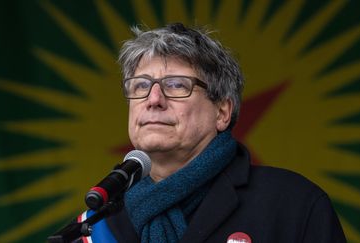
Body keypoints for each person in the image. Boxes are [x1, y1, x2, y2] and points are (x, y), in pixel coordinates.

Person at [78, 23, 346, 243]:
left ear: (222, 112)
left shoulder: (293, 204)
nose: (153, 99)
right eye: (140, 86)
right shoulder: (97, 224)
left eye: (175, 85)